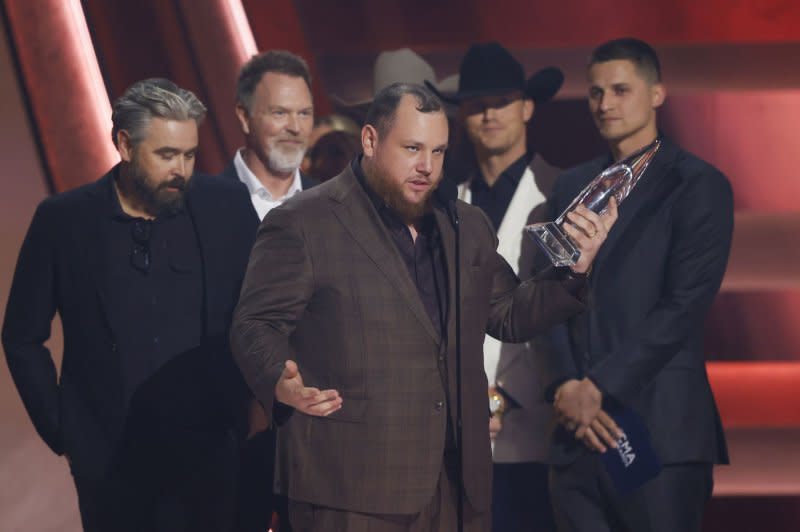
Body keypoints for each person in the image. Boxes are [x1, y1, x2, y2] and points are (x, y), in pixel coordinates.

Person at [230, 82, 617, 532]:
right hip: (348, 487)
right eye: (412, 148)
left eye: (438, 152)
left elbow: (509, 312)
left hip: (456, 484)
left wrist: (575, 269)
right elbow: (254, 324)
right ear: (371, 140)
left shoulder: (465, 224)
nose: (427, 167)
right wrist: (279, 378)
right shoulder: (303, 221)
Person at [2, 78, 258, 532]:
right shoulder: (63, 221)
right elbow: (22, 335)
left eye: (189, 154)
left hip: (212, 455)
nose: (181, 169)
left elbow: (261, 308)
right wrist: (66, 430)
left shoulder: (226, 206)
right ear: (124, 144)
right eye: (166, 155)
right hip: (113, 467)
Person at [542, 38, 733, 532]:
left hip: (657, 429)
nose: (605, 104)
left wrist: (599, 387)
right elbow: (547, 294)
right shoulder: (570, 187)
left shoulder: (697, 185)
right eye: (596, 92)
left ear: (657, 94)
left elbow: (685, 305)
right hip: (576, 434)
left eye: (621, 90)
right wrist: (566, 386)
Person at [429, 41, 564, 532]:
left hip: (533, 434)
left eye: (501, 102)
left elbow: (565, 311)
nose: (488, 115)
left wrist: (504, 395)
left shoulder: (559, 194)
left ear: (527, 106)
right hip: (450, 439)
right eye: (476, 104)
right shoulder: (444, 203)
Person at [220, 49, 322, 532]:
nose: (294, 127)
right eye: (279, 112)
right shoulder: (201, 206)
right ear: (243, 115)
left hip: (323, 444)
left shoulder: (340, 207)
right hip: (228, 443)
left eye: (304, 114)